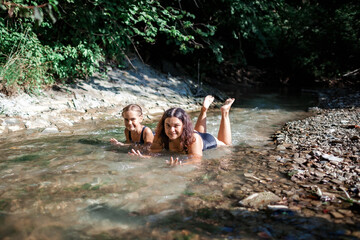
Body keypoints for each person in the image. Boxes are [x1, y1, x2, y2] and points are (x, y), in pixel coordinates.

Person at [130, 96, 235, 165]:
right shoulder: (160, 135)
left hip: (205, 141)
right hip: (189, 136)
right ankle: (204, 110)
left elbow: (196, 159)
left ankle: (225, 112)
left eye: (176, 125)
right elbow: (154, 153)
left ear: (184, 126)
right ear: (163, 125)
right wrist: (143, 157)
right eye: (168, 125)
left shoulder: (194, 138)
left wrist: (180, 164)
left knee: (227, 145)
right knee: (197, 133)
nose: (171, 130)